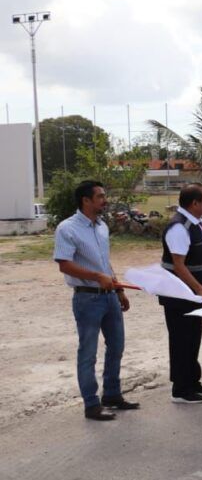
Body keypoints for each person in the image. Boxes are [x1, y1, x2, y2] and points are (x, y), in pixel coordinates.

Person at [53, 180, 138, 421]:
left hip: (110, 296)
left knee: (117, 347)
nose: (105, 200)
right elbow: (64, 264)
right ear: (86, 200)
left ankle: (112, 394)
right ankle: (91, 404)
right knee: (88, 352)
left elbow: (104, 261)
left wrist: (118, 288)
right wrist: (96, 277)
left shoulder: (101, 226)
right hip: (87, 298)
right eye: (100, 196)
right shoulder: (67, 228)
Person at [160, 183, 202, 405]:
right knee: (181, 340)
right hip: (179, 296)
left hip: (191, 296)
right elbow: (179, 265)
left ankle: (193, 381)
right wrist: (199, 288)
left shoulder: (195, 224)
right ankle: (181, 389)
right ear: (195, 203)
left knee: (193, 338)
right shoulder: (179, 228)